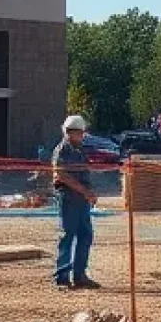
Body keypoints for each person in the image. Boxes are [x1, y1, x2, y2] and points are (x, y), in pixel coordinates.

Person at [52, 114, 99, 290]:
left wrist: (88, 193)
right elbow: (62, 175)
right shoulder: (62, 150)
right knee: (67, 235)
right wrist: (85, 191)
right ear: (70, 133)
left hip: (81, 200)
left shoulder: (80, 150)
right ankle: (62, 277)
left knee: (85, 235)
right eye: (79, 133)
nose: (82, 136)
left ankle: (80, 275)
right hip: (69, 198)